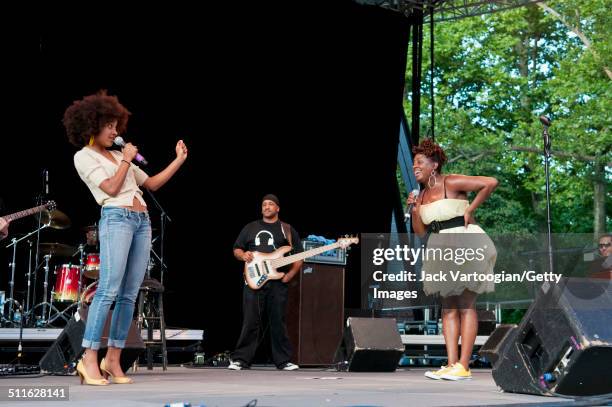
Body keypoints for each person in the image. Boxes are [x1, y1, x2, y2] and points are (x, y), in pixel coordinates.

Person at [64, 90, 188, 385]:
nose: (115, 131)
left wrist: (178, 160)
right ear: (91, 126)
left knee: (130, 294)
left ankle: (114, 359)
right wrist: (125, 161)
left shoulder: (121, 156)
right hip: (116, 219)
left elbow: (152, 184)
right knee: (108, 289)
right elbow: (109, 187)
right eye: (109, 126)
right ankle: (89, 358)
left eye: (116, 125)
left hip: (141, 221)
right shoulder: (83, 156)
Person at [406, 139, 498, 381]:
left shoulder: (451, 181)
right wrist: (415, 210)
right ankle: (451, 363)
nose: (415, 167)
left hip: (465, 242)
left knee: (466, 304)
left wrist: (470, 210)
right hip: (440, 246)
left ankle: (464, 365)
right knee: (447, 308)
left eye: (419, 163)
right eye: (414, 164)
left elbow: (490, 183)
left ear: (433, 165)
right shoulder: (422, 194)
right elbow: (420, 232)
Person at [229, 194, 302, 371]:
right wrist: (243, 255)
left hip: (277, 282)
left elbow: (299, 256)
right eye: (264, 204)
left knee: (278, 321)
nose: (267, 207)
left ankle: (283, 361)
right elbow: (236, 249)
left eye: (271, 204)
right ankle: (241, 360)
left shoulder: (287, 229)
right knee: (250, 320)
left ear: (278, 208)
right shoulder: (250, 227)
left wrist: (290, 275)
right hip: (254, 279)